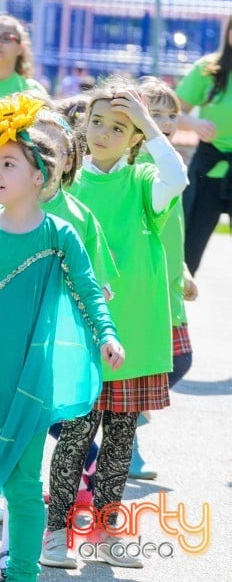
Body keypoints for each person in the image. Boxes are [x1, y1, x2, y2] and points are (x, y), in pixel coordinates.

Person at [0, 94, 124, 582]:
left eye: (8, 163)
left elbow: (91, 292)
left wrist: (107, 335)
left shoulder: (61, 235)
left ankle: (22, 571)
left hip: (33, 381)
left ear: (40, 177)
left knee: (23, 484)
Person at [42, 78, 187, 570]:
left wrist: (149, 123)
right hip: (78, 333)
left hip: (135, 331)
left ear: (136, 137)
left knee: (121, 438)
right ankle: (55, 533)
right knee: (76, 435)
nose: (103, 132)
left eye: (119, 127)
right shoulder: (66, 182)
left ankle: (107, 529)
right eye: (97, 121)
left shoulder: (145, 179)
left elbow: (178, 177)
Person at [129, 77, 197, 478]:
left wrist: (184, 268)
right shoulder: (138, 169)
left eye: (171, 114)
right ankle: (129, 436)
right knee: (147, 368)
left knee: (181, 360)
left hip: (169, 282)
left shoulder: (168, 166)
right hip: (144, 287)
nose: (167, 121)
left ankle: (132, 413)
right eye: (155, 114)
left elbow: (175, 227)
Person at [176, 15, 232, 274]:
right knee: (186, 254)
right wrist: (195, 124)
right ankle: (177, 313)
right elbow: (173, 113)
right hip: (207, 168)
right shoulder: (207, 69)